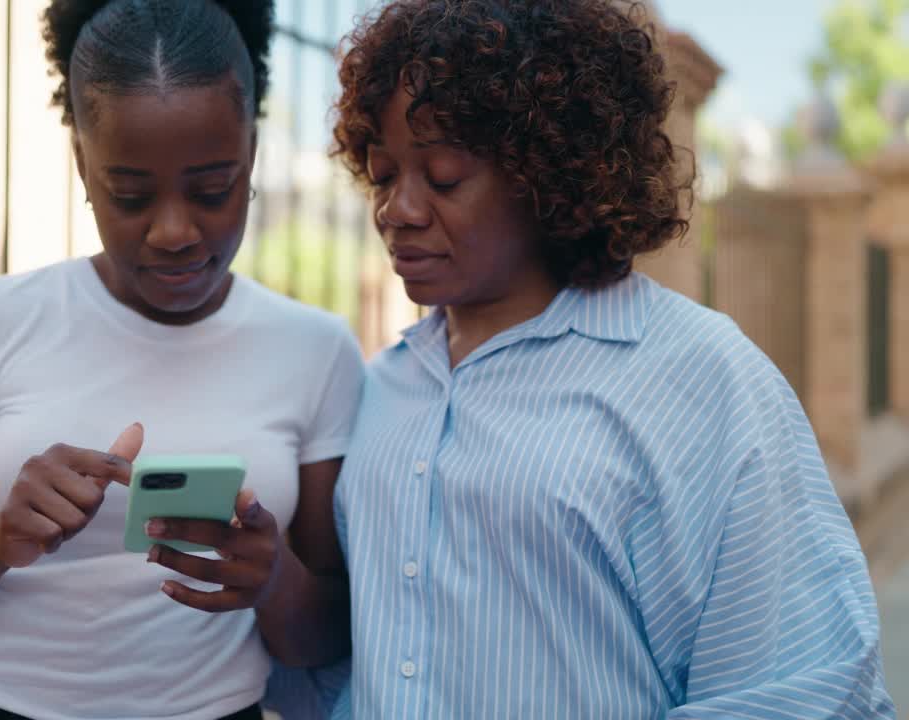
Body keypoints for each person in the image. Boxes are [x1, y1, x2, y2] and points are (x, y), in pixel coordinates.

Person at [327, 0, 896, 717]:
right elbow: (365, 664)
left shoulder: (696, 377)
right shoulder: (382, 388)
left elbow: (806, 687)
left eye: (442, 177)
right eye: (382, 176)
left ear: (548, 173)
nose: (397, 210)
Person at [0, 1, 361, 718]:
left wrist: (272, 580)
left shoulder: (317, 350)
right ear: (83, 163)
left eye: (213, 189)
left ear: (251, 152)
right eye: (130, 195)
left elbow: (328, 636)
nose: (175, 230)